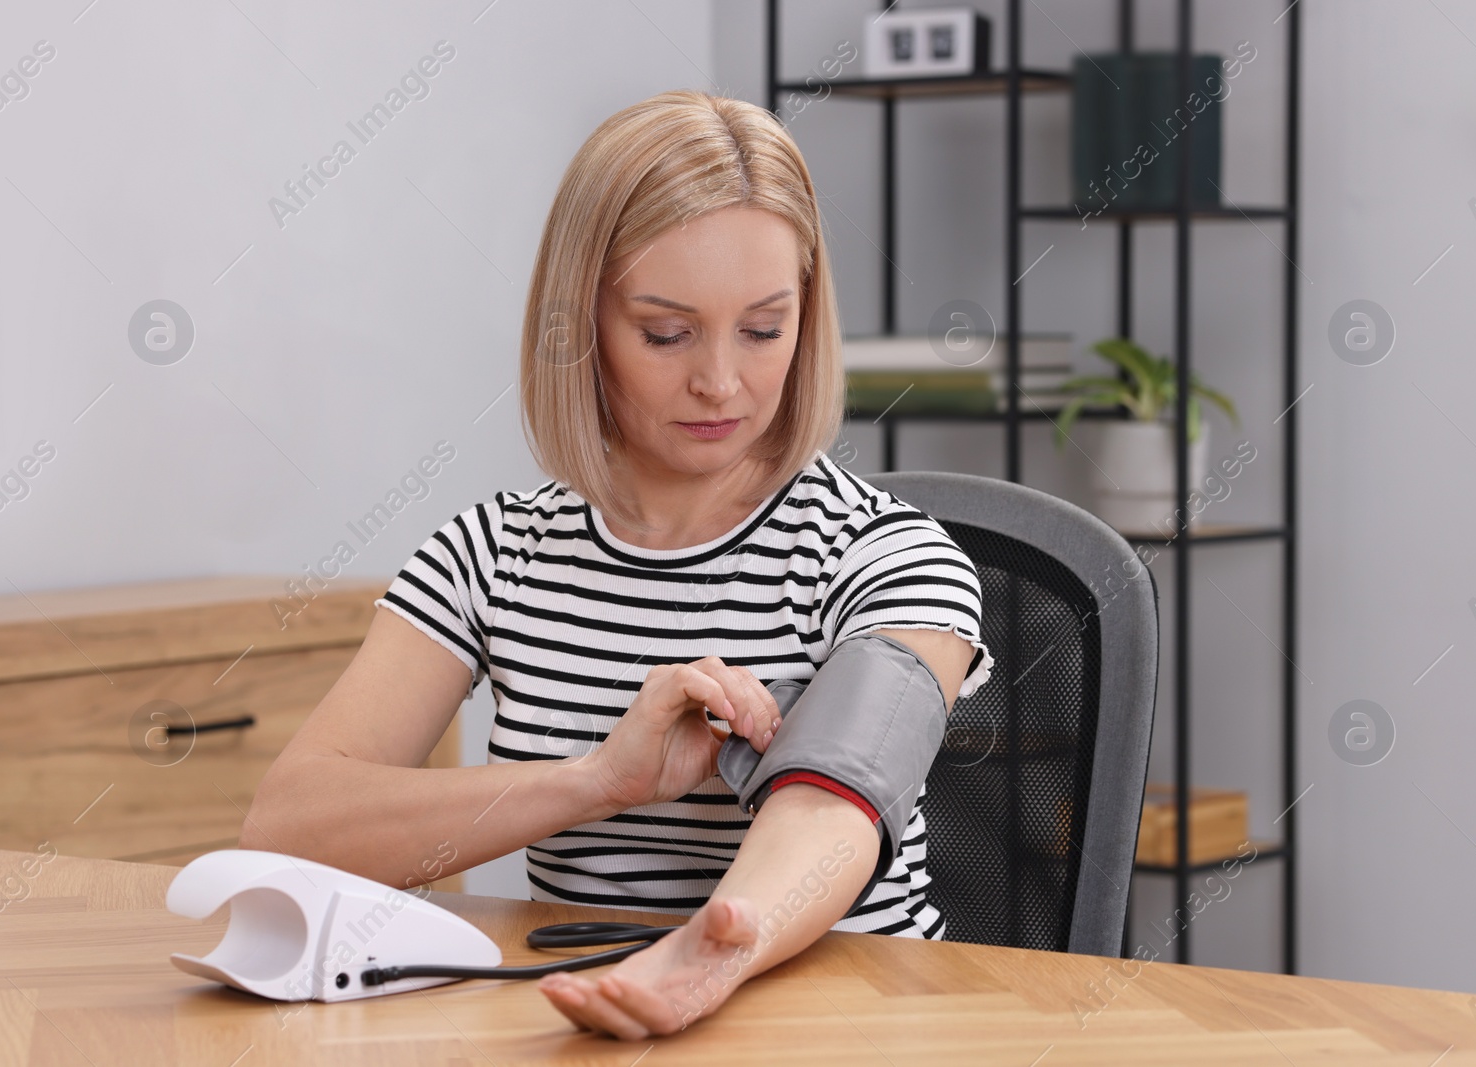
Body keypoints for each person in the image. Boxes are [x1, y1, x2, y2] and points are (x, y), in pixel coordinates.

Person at [240, 88, 994, 1040]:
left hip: (851, 1039)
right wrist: (600, 778)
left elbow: (839, 792)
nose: (721, 380)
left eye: (764, 329)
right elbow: (287, 827)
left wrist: (713, 949)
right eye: (666, 333)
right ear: (580, 324)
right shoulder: (491, 555)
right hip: (596, 1028)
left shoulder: (891, 557)